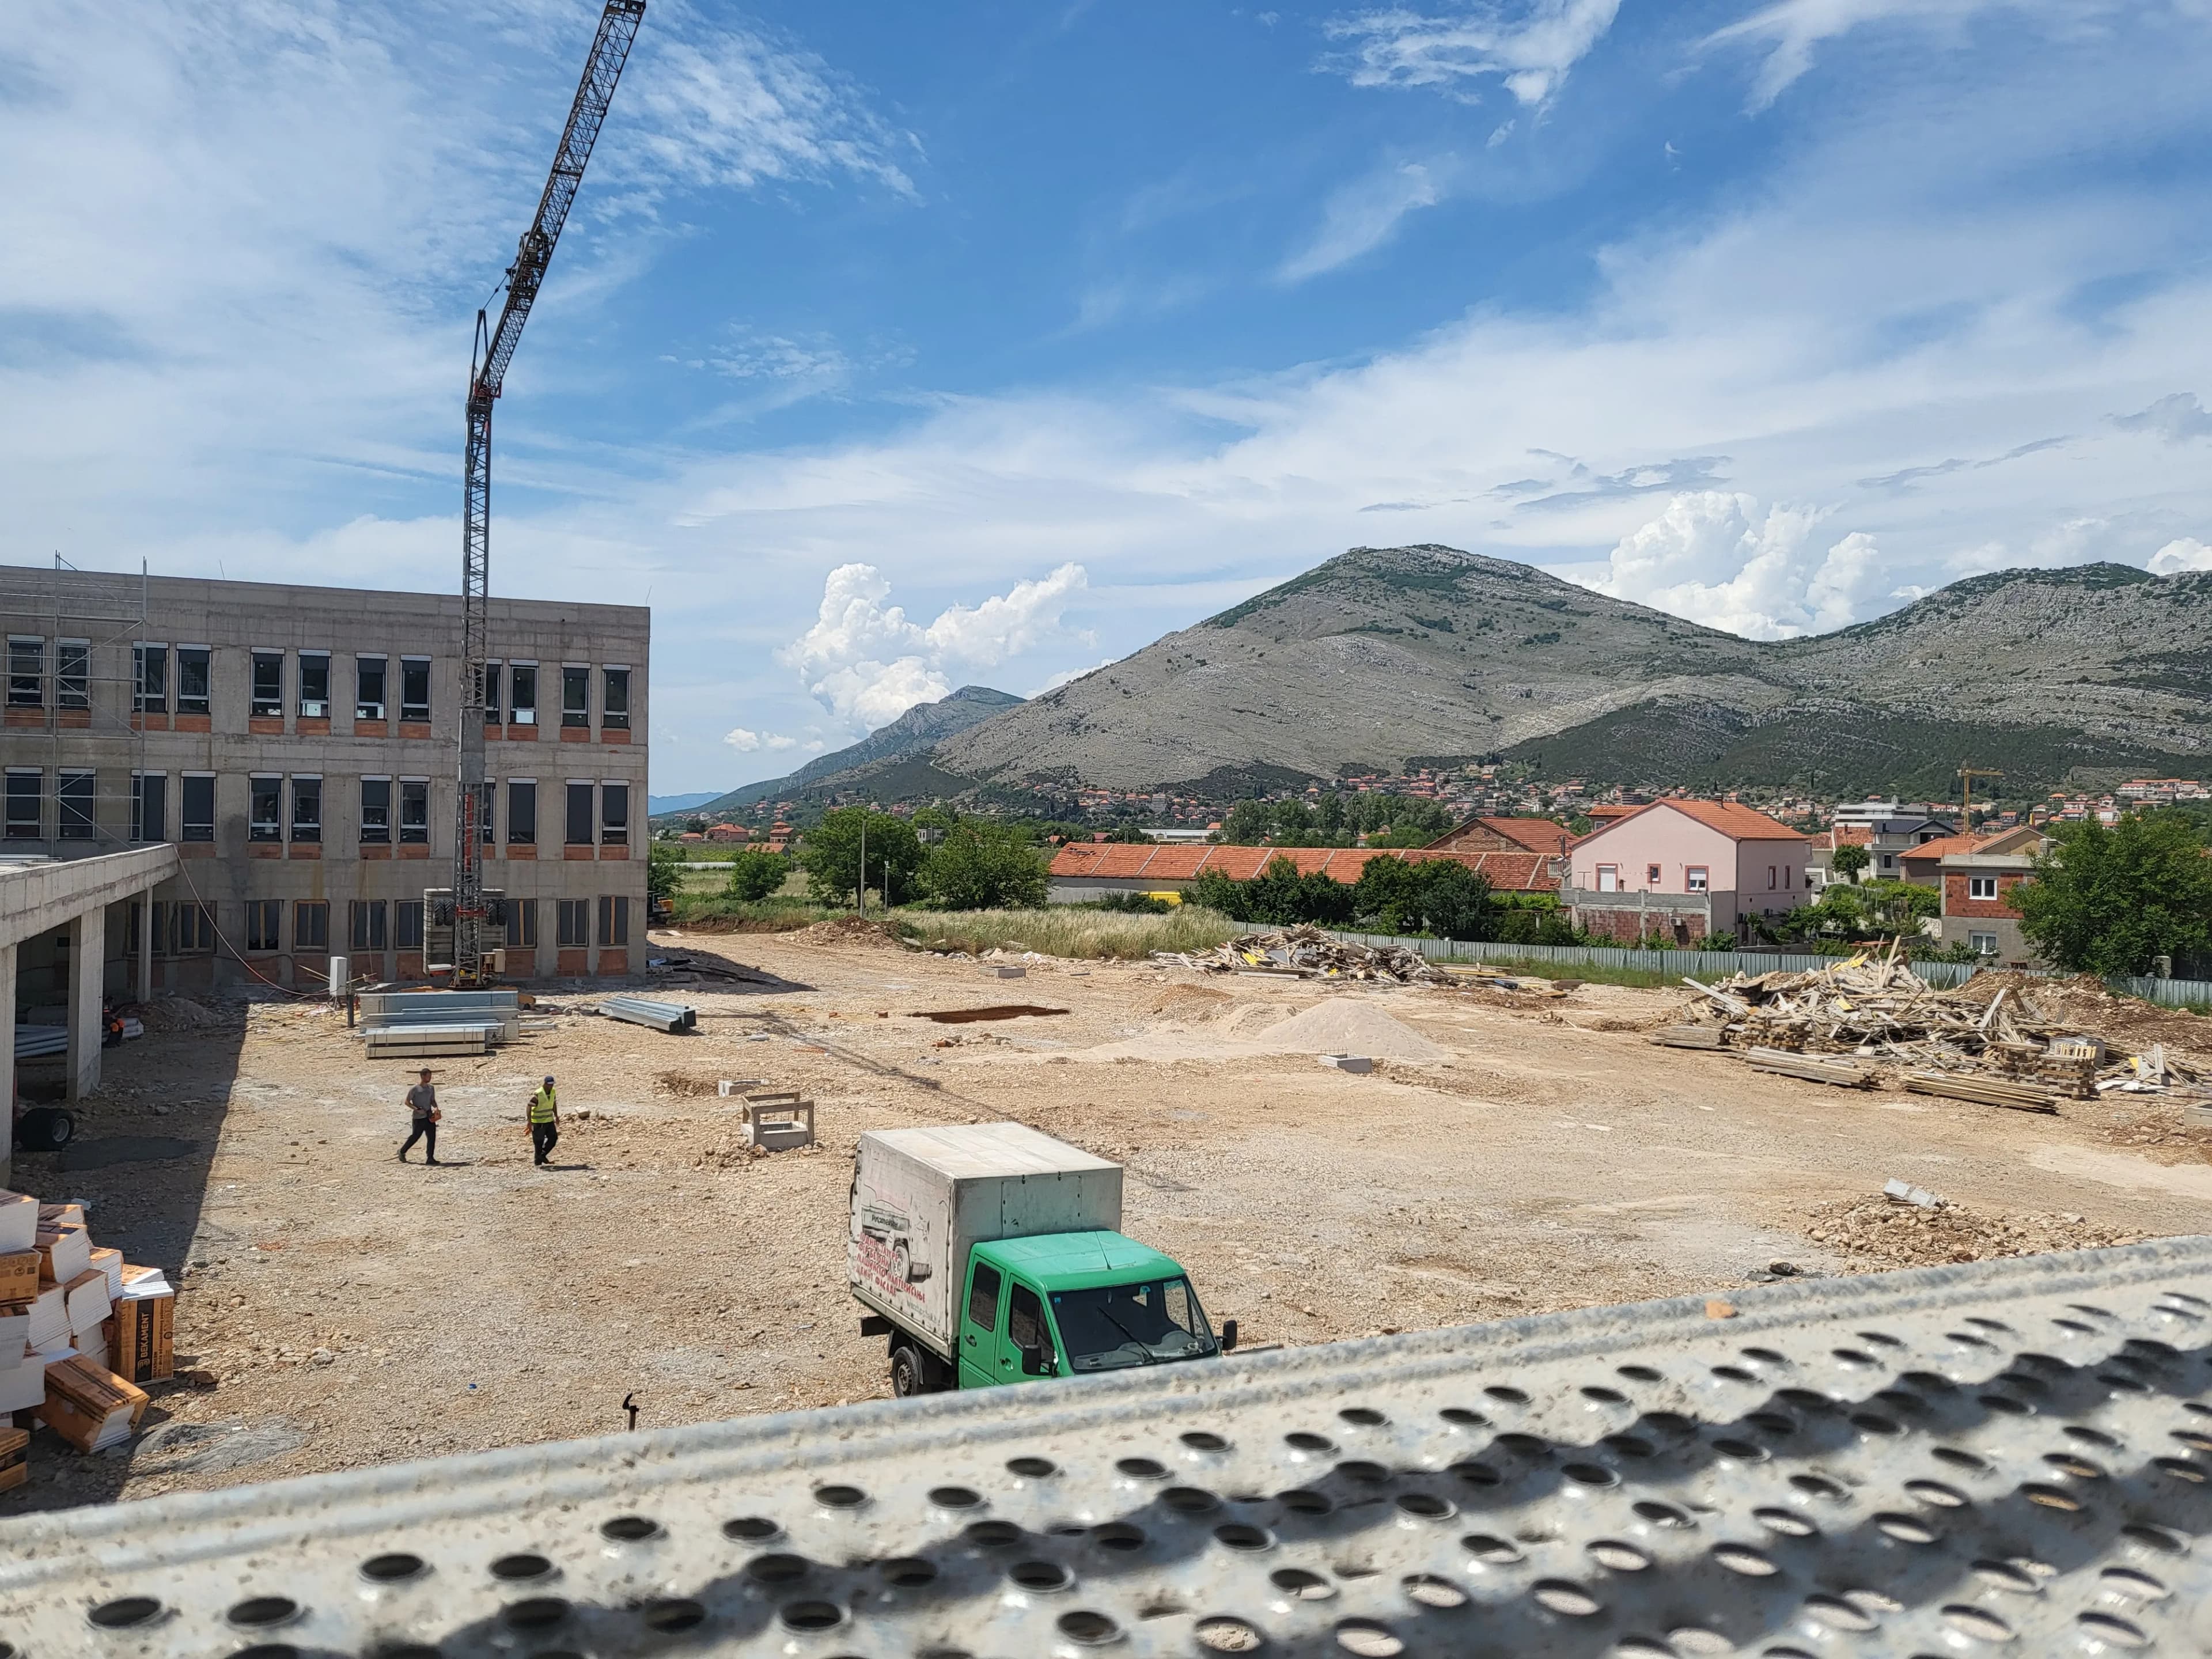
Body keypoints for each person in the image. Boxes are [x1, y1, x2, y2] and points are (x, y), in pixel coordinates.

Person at [399, 1068, 442, 1165]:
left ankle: (430, 1158)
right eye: (428, 1076)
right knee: (415, 1137)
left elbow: (432, 1100)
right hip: (419, 1118)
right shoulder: (415, 1089)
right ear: (423, 1076)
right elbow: (407, 1102)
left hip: (429, 1116)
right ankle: (402, 1151)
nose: (430, 1078)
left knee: (432, 1137)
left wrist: (436, 1108)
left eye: (430, 1076)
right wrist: (416, 1109)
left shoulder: (431, 1088)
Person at [528, 1075, 559, 1166]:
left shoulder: (553, 1092)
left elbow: (554, 1104)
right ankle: (538, 1163)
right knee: (539, 1142)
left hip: (549, 1120)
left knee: (553, 1138)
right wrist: (529, 1122)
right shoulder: (539, 1093)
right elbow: (529, 1106)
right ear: (545, 1084)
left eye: (552, 1084)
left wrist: (556, 1116)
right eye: (549, 1084)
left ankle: (542, 1155)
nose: (551, 1086)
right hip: (538, 1122)